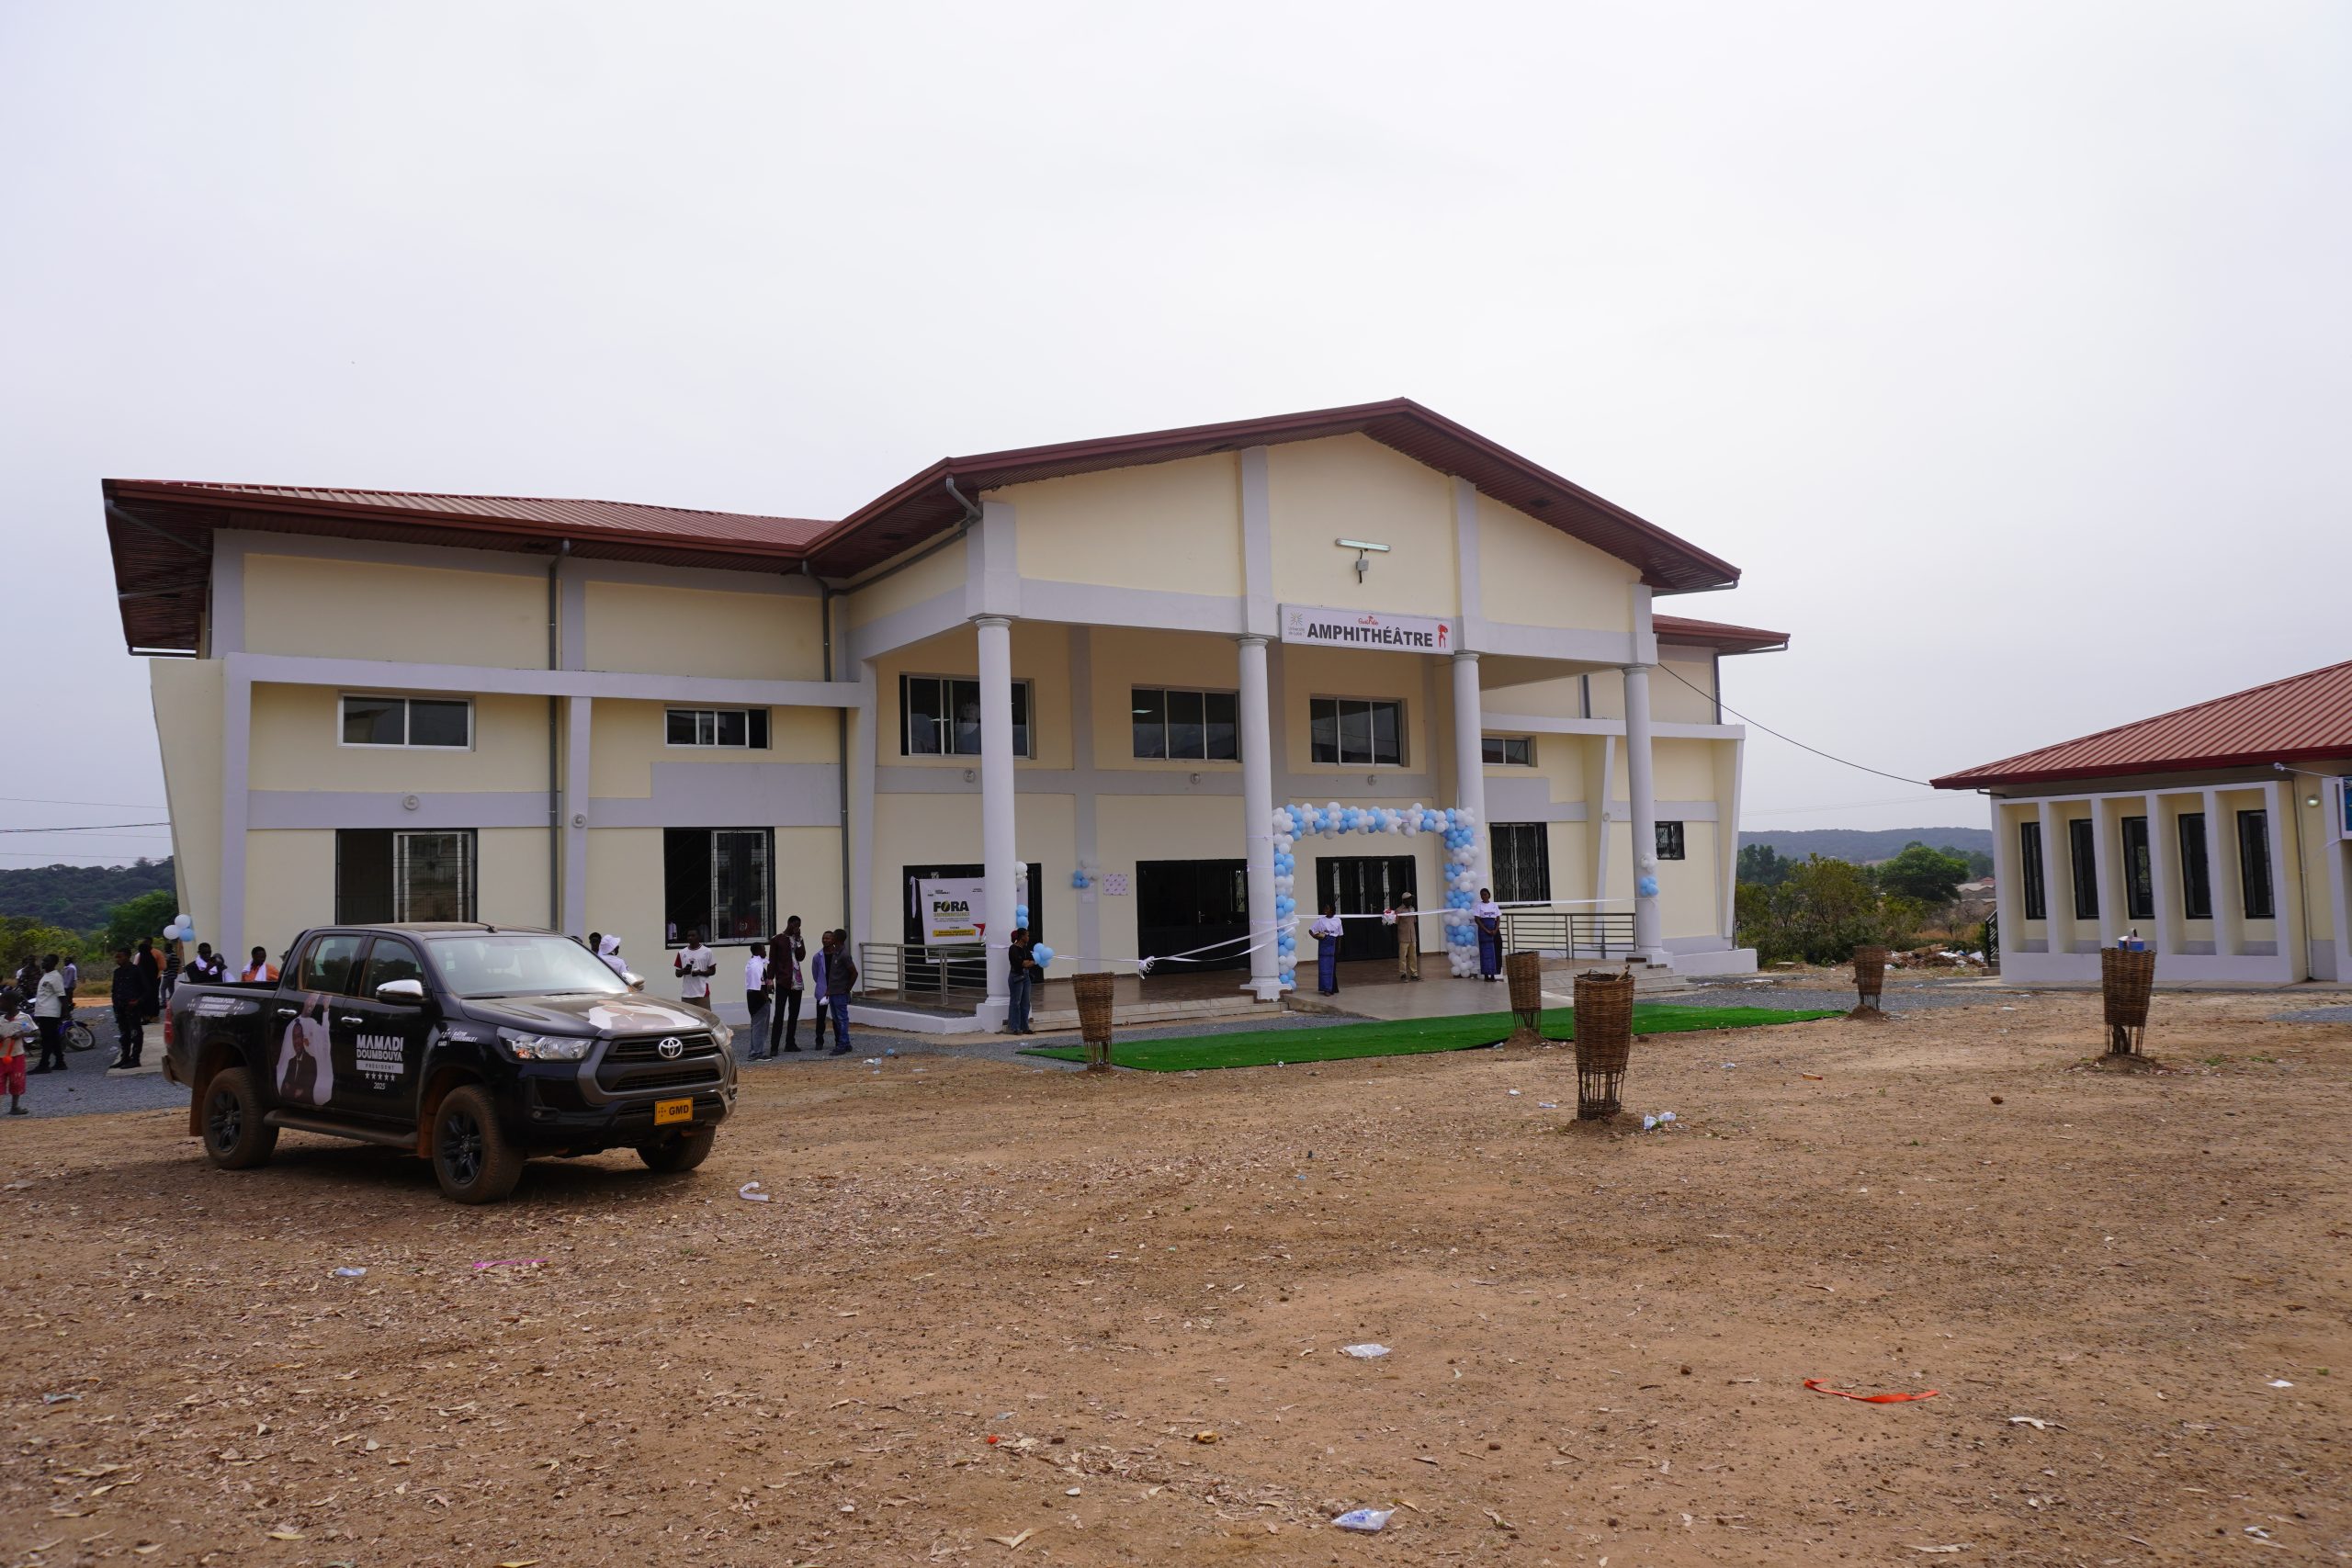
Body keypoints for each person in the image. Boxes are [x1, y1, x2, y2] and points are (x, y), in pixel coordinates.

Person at [768, 918, 806, 1053]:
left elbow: (801, 957)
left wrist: (798, 939)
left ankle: (790, 1043)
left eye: (799, 926)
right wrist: (770, 979)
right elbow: (772, 960)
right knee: (779, 1014)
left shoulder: (798, 939)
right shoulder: (777, 939)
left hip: (797, 981)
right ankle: (774, 1046)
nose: (797, 928)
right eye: (795, 925)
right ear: (789, 923)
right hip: (783, 981)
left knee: (794, 1014)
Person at [815, 931, 854, 1055]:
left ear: (836, 939)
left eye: (831, 937)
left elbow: (854, 972)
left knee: (842, 1020)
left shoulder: (844, 954)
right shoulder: (836, 953)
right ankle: (846, 1043)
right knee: (837, 1019)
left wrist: (847, 988)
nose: (828, 939)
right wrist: (828, 989)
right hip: (832, 992)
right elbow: (829, 975)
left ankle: (842, 1044)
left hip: (840, 992)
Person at [31, 955, 69, 1073]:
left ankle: (44, 1065)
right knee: (53, 1038)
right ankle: (60, 1062)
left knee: (46, 1039)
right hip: (44, 1012)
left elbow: (62, 996)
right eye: (43, 960)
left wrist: (65, 1012)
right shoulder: (46, 976)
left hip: (50, 1013)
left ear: (53, 963)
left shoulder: (56, 977)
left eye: (46, 961)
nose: (43, 962)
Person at [109, 948, 145, 1069]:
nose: (117, 959)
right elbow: (114, 990)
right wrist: (115, 1004)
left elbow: (147, 989)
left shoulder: (136, 970)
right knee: (124, 1034)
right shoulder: (117, 972)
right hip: (120, 1007)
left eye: (120, 956)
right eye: (116, 957)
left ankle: (135, 1058)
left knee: (135, 1033)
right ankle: (125, 1057)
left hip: (132, 1008)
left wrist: (138, 1001)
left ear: (128, 956)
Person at [0, 989, 30, 1113]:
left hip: (17, 1055)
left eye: (2, 1001)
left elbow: (35, 1032)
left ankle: (15, 1106)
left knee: (16, 1081)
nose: (0, 1003)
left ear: (11, 1003)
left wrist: (21, 1034)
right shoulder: (1, 1019)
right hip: (1, 1056)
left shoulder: (24, 1018)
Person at [1004, 927, 1037, 1035]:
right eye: (1027, 935)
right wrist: (1025, 963)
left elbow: (1032, 961)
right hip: (1016, 977)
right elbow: (1018, 964)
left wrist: (1026, 962)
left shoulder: (1026, 948)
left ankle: (1024, 1026)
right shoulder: (1013, 949)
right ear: (1022, 936)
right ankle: (1014, 1027)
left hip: (1026, 977)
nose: (1028, 937)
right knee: (1016, 1002)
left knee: (1025, 1002)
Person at [742, 942, 770, 1061]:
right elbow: (755, 986)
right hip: (758, 999)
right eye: (764, 949)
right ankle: (756, 1053)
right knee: (760, 1026)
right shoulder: (755, 965)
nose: (766, 951)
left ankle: (755, 1051)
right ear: (758, 950)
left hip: (755, 997)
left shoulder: (755, 963)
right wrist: (766, 999)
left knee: (757, 1026)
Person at [674, 929, 716, 1006]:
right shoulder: (681, 952)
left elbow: (713, 971)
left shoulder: (707, 951)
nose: (690, 938)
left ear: (699, 937)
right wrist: (684, 971)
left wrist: (700, 973)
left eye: (693, 935)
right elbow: (677, 974)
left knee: (704, 1017)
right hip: (687, 994)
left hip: (702, 993)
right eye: (688, 936)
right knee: (687, 1017)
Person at [1310, 904, 1343, 996]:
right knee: (1324, 968)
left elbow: (1340, 935)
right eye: (1324, 908)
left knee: (1332, 968)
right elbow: (1311, 930)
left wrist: (1339, 947)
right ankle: (1326, 989)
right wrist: (1316, 937)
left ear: (1332, 909)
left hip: (1333, 944)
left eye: (1327, 908)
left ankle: (1333, 988)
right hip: (1324, 945)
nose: (1325, 909)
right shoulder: (1321, 920)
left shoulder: (1338, 920)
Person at [1474, 887, 1504, 980]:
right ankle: (1486, 975)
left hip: (1494, 930)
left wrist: (1495, 929)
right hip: (1484, 931)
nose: (1484, 896)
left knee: (1496, 951)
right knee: (1486, 953)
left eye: (1485, 894)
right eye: (1482, 895)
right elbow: (1477, 919)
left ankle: (1493, 974)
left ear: (1489, 895)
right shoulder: (1479, 906)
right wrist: (1486, 930)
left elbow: (1498, 918)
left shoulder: (1494, 905)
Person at [1394, 892, 1421, 981]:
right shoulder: (1399, 910)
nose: (1411, 901)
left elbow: (1414, 921)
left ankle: (1414, 974)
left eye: (1411, 899)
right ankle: (1403, 974)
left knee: (1413, 956)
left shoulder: (1412, 909)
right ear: (1404, 900)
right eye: (1409, 899)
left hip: (1412, 936)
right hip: (1404, 937)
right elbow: (1395, 922)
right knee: (1403, 957)